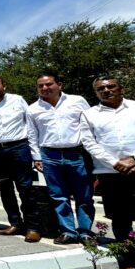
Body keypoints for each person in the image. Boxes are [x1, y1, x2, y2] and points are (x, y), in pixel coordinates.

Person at [80, 75, 135, 269]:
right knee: (120, 219)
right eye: (101, 89)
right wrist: (116, 164)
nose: (106, 90)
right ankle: (131, 263)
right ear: (96, 93)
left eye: (111, 86)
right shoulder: (89, 115)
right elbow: (89, 143)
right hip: (110, 173)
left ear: (121, 88)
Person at [27, 73, 94, 244]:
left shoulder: (77, 101)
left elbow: (91, 125)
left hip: (77, 154)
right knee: (58, 196)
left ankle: (86, 232)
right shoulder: (33, 109)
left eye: (48, 84)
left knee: (84, 196)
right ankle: (68, 231)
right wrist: (37, 157)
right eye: (40, 85)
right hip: (49, 156)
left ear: (60, 85)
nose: (44, 88)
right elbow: (32, 135)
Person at [0, 77, 41, 242]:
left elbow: (30, 124)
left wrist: (35, 152)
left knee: (26, 188)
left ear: (3, 86)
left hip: (19, 148)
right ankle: (15, 223)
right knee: (5, 189)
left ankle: (33, 227)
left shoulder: (17, 100)